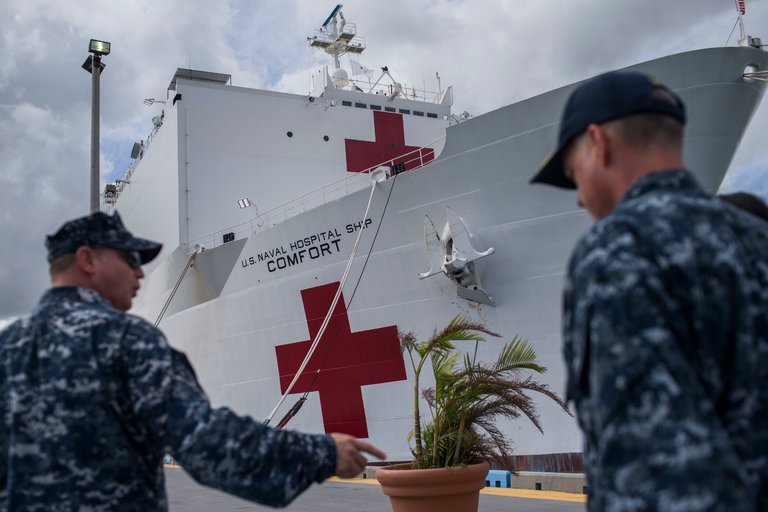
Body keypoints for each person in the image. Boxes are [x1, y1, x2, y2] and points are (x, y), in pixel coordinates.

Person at [0, 211, 385, 511]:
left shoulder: (7, 347)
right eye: (130, 257)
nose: (139, 272)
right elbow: (207, 445)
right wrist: (321, 454)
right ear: (87, 259)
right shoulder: (125, 341)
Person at [531, 71, 768, 511]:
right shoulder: (758, 235)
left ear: (598, 143)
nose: (579, 199)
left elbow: (655, 473)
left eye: (572, 172)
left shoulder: (619, 248)